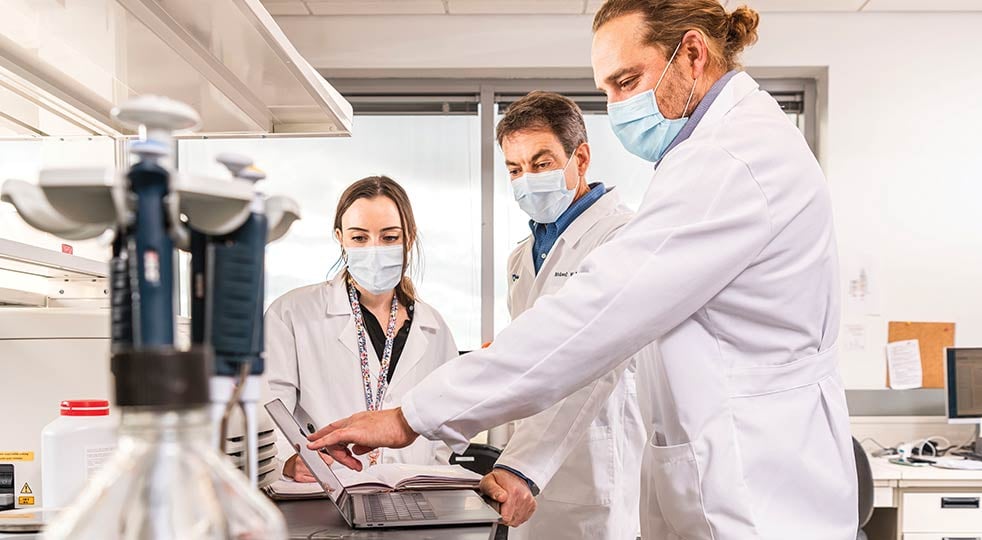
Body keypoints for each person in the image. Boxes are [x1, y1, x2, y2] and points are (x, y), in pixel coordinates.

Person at [307, 2, 859, 538]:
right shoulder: (708, 154)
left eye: (627, 80)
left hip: (754, 481)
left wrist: (413, 416)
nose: (618, 106)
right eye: (607, 91)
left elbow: (592, 323)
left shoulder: (731, 160)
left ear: (691, 53)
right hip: (720, 465)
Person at [479, 91, 648, 538]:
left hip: (592, 474)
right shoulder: (521, 258)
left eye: (542, 163)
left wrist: (522, 466)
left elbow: (592, 363)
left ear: (582, 157)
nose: (526, 180)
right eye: (514, 169)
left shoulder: (621, 237)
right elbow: (530, 361)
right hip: (526, 476)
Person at [265, 175, 457, 482]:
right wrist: (287, 460)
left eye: (389, 237)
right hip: (325, 491)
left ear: (409, 237)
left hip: (415, 494)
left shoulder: (434, 328)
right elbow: (269, 410)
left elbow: (444, 424)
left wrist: (432, 477)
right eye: (359, 238)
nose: (374, 249)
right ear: (340, 237)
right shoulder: (292, 314)